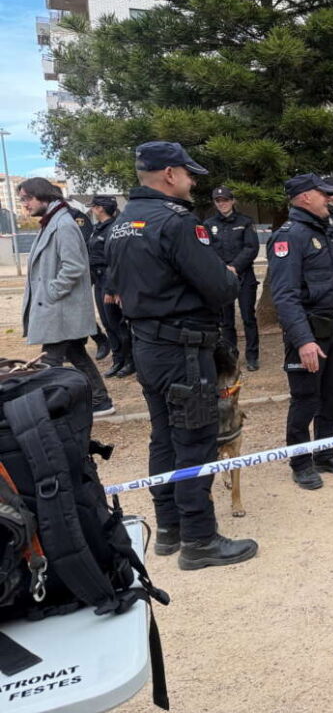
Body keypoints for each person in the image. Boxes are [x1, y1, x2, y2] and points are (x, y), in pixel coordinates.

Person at [105, 141, 257, 569]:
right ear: (170, 174)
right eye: (189, 174)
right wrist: (226, 273)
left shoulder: (122, 224)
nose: (193, 182)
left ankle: (169, 528)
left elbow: (112, 287)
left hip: (148, 346)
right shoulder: (177, 223)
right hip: (183, 350)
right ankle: (200, 540)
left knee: (164, 439)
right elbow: (221, 287)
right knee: (195, 443)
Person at [267, 174, 333, 490]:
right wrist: (303, 340)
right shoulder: (289, 237)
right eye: (324, 194)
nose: (331, 199)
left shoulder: (326, 233)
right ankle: (301, 462)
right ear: (305, 197)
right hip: (307, 335)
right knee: (306, 399)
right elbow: (285, 295)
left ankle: (325, 452)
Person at [18, 178, 116, 416]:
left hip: (59, 307)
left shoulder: (63, 224)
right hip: (58, 308)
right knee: (76, 353)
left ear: (42, 195)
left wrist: (52, 292)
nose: (25, 205)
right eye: (22, 200)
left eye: (27, 198)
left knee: (49, 362)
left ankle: (44, 411)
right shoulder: (53, 222)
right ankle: (101, 400)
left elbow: (74, 266)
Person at [203, 186, 260, 371]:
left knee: (248, 318)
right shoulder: (208, 224)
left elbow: (251, 247)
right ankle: (231, 357)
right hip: (222, 279)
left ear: (232, 201)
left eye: (225, 200)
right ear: (215, 203)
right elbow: (207, 250)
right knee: (226, 321)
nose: (222, 204)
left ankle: (252, 357)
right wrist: (222, 269)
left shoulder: (245, 222)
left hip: (244, 276)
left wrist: (234, 266)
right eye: (218, 201)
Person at [87, 194, 134, 378]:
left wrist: (113, 288)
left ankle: (130, 361)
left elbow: (118, 260)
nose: (91, 209)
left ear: (100, 208)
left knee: (118, 323)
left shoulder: (114, 228)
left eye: (93, 206)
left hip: (110, 280)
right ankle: (118, 359)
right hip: (99, 280)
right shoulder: (97, 228)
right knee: (107, 323)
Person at [65, 201, 111, 360]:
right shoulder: (56, 218)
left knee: (79, 308)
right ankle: (75, 344)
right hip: (66, 269)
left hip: (82, 269)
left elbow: (84, 244)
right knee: (69, 310)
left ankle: (100, 339)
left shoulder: (76, 217)